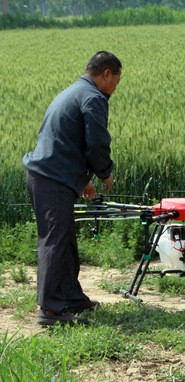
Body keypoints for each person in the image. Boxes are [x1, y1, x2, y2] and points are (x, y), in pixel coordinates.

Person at [23, 51, 122, 326]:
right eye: (116, 80)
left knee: (64, 238)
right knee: (55, 240)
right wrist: (105, 172)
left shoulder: (75, 91)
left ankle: (70, 296)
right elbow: (96, 142)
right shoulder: (93, 97)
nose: (115, 87)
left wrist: (80, 180)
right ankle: (51, 309)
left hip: (48, 175)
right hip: (51, 179)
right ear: (105, 74)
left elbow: (63, 142)